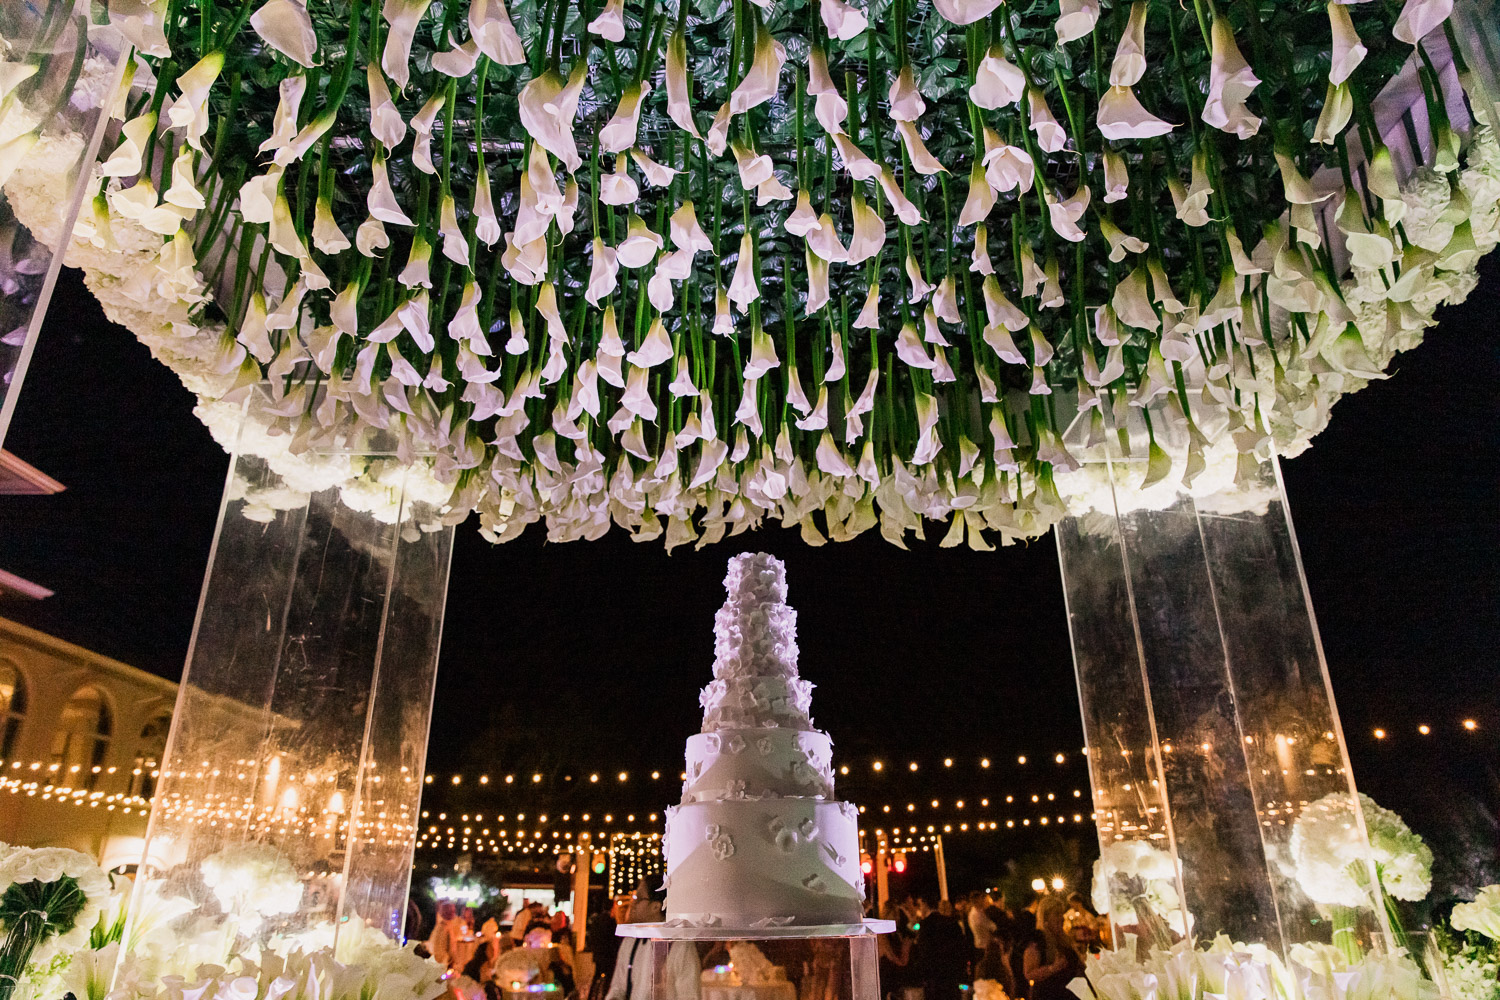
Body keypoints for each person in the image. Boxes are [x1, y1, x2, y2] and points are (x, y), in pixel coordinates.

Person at [605, 882, 700, 1000]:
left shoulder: (680, 945)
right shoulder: (630, 942)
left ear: (656, 906)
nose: (632, 904)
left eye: (638, 898)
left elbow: (689, 996)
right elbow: (618, 988)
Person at [1022, 897, 1084, 1000]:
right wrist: (1052, 968)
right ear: (1046, 918)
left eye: (1062, 913)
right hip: (1048, 995)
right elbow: (1029, 973)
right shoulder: (1038, 941)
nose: (1062, 918)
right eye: (1056, 914)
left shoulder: (1064, 939)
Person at [911, 897, 969, 1000]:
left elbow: (924, 952)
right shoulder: (952, 923)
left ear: (925, 904)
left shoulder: (926, 925)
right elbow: (962, 949)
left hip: (934, 978)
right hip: (951, 975)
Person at [876, 901, 912, 1000]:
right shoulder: (881, 934)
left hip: (896, 977)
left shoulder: (896, 934)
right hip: (887, 977)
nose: (897, 918)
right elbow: (891, 956)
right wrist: (905, 953)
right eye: (895, 915)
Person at [430, 901, 466, 972]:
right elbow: (451, 949)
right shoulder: (446, 928)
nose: (454, 913)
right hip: (443, 964)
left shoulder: (440, 927)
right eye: (452, 911)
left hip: (437, 963)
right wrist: (453, 963)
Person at [968, 893, 997, 965]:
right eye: (981, 899)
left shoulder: (975, 913)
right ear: (977, 901)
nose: (983, 901)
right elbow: (992, 927)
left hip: (981, 946)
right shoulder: (977, 915)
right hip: (983, 947)